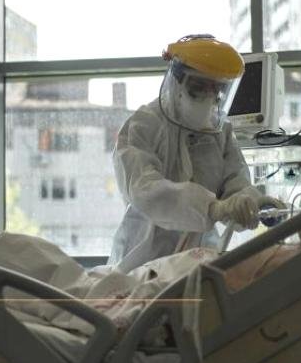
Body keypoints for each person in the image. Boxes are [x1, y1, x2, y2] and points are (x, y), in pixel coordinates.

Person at [109, 34, 283, 273]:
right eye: (199, 88)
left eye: (217, 90)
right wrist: (212, 208)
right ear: (176, 82)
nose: (209, 99)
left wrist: (253, 203)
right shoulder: (144, 125)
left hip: (199, 258)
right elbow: (144, 189)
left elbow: (235, 184)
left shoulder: (220, 133)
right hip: (142, 259)